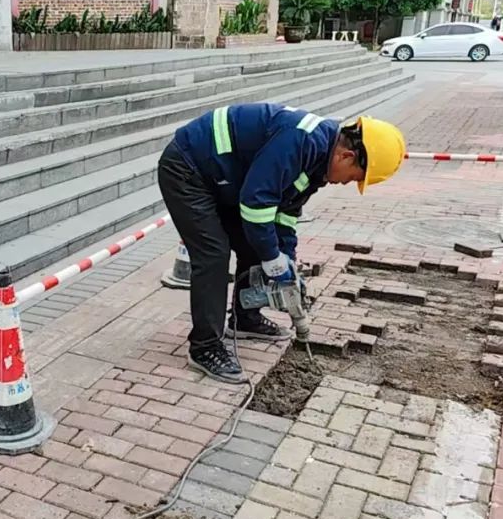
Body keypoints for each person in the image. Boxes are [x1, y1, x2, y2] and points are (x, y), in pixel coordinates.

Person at [157, 104, 406, 384]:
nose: (348, 183)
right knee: (213, 255)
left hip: (226, 178)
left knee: (256, 244)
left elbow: (286, 212)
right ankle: (205, 347)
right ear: (346, 156)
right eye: (355, 177)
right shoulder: (300, 141)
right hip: (189, 169)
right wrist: (271, 257)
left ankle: (245, 319)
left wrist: (286, 257)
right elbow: (256, 203)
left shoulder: (319, 162)